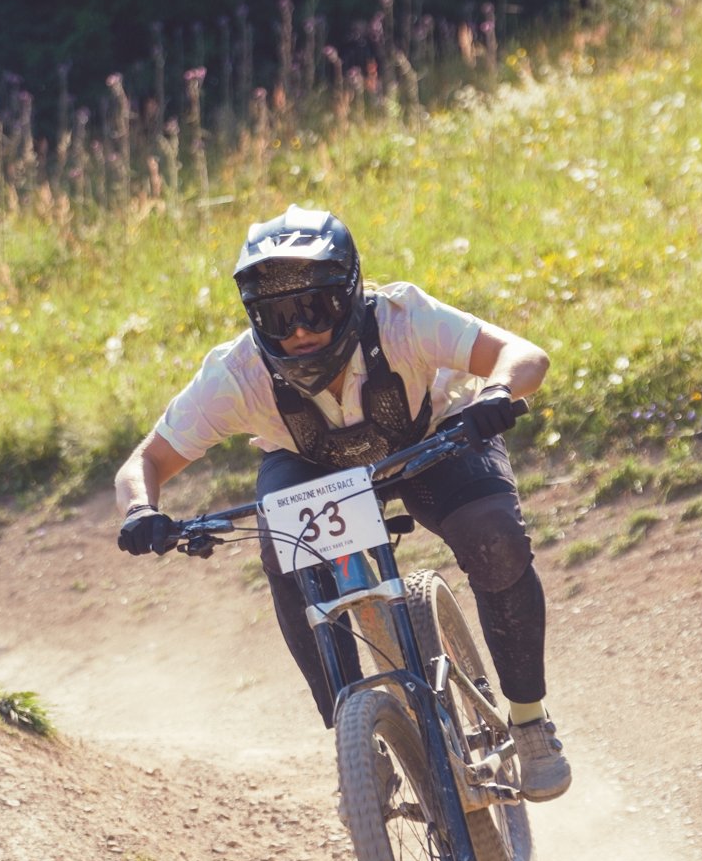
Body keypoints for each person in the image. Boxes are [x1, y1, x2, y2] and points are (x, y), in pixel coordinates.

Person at [114, 205, 570, 801]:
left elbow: (522, 353)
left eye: (315, 308)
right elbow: (144, 463)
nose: (299, 330)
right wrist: (141, 512)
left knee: (494, 538)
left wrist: (500, 389)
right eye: (278, 316)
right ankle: (357, 742)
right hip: (311, 465)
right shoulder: (235, 374)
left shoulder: (404, 317)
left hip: (433, 437)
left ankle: (530, 722)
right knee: (288, 558)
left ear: (352, 292)